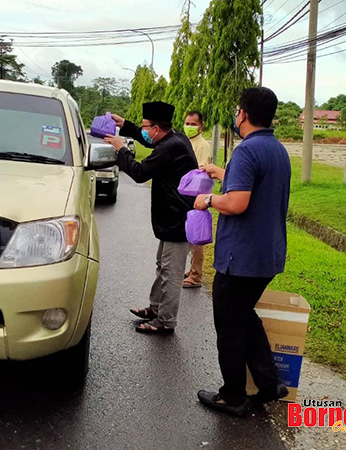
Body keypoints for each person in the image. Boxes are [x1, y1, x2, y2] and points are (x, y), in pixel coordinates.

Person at [193, 87, 291, 417]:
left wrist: (208, 199)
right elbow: (253, 186)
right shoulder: (276, 149)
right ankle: (270, 384)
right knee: (245, 316)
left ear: (244, 114)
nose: (236, 116)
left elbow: (236, 202)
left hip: (241, 259)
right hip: (268, 256)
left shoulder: (248, 151)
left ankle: (232, 396)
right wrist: (222, 173)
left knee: (230, 326)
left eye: (237, 111)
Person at [103, 101, 198, 334]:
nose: (144, 130)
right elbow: (147, 139)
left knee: (172, 273)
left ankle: (166, 321)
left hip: (178, 220)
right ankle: (156, 308)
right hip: (171, 218)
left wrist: (121, 149)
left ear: (157, 128)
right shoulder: (171, 138)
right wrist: (125, 125)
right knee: (162, 267)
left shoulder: (169, 147)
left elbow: (139, 173)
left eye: (146, 126)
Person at [182, 111, 212, 289]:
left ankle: (196, 276)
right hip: (186, 194)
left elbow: (200, 172)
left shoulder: (202, 145)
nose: (189, 127)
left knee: (196, 238)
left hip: (196, 196)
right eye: (187, 123)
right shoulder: (188, 142)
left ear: (201, 126)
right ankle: (192, 269)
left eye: (193, 124)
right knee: (189, 234)